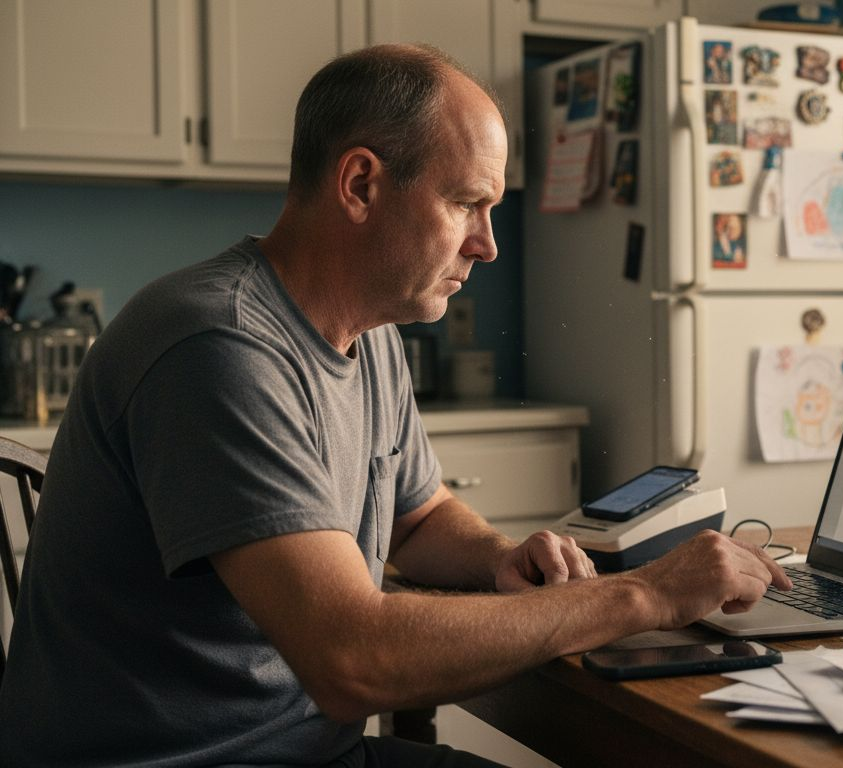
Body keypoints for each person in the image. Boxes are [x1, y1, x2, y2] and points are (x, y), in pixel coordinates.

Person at [0, 44, 790, 766]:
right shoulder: (218, 346)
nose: (487, 244)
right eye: (465, 204)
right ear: (361, 185)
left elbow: (417, 515)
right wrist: (641, 593)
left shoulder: (369, 327)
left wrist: (496, 557)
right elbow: (352, 659)